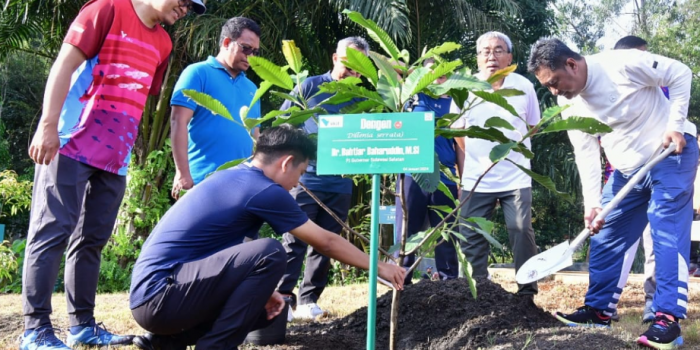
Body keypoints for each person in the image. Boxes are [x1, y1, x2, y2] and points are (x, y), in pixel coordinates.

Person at [20, 0, 205, 348]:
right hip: (70, 142)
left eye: (191, 6)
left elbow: (134, 95)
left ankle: (82, 327)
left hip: (115, 159)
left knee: (91, 241)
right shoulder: (106, 9)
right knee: (51, 232)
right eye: (183, 0)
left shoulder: (164, 42)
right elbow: (64, 65)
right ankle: (36, 330)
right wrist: (47, 126)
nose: (185, 8)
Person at [129, 125, 405, 349]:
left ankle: (167, 343)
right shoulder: (264, 190)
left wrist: (262, 289)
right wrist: (381, 267)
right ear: (286, 163)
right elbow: (326, 241)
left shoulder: (234, 177)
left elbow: (232, 250)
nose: (298, 183)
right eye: (300, 172)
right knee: (272, 252)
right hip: (162, 296)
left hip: (152, 299)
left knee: (262, 311)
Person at [529, 38, 697, 349]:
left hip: (669, 153)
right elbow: (585, 151)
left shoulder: (621, 63)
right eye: (548, 87)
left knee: (666, 228)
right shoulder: (568, 101)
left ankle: (667, 320)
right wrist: (592, 204)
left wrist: (675, 125)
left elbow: (681, 72)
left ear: (572, 64)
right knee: (605, 233)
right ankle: (598, 311)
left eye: (555, 83)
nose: (555, 92)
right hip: (626, 171)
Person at [561, 35, 666, 324]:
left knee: (657, 241)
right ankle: (604, 305)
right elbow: (590, 150)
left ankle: (656, 305)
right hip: (621, 177)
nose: (641, 62)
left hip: (660, 171)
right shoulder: (602, 85)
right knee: (615, 243)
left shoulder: (660, 86)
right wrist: (592, 202)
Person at [276, 36, 370, 320]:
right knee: (294, 240)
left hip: (340, 182)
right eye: (348, 61)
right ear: (334, 57)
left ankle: (308, 299)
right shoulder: (309, 86)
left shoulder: (362, 97)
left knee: (326, 242)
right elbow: (284, 124)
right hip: (304, 180)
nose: (353, 69)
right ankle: (283, 299)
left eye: (360, 64)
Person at [450, 31, 541, 297]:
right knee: (471, 236)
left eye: (499, 50)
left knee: (521, 230)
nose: (492, 56)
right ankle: (476, 291)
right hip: (477, 177)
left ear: (510, 57)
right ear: (477, 58)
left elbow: (532, 127)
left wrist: (509, 153)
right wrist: (480, 160)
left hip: (516, 177)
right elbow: (459, 132)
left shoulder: (524, 85)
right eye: (485, 51)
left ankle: (527, 291)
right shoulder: (465, 86)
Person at [170, 17, 261, 200]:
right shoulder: (197, 73)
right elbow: (178, 121)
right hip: (201, 182)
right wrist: (182, 173)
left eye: (256, 52)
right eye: (246, 48)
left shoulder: (252, 88)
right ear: (227, 42)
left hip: (241, 185)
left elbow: (255, 135)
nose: (251, 56)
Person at [395, 58, 460, 285]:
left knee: (446, 235)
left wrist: (461, 178)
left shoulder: (456, 103)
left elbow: (460, 144)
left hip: (446, 177)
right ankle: (401, 283)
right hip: (412, 176)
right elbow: (389, 67)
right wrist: (419, 74)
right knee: (406, 234)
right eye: (434, 72)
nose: (439, 76)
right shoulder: (412, 97)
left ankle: (449, 282)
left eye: (444, 72)